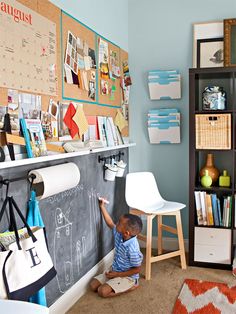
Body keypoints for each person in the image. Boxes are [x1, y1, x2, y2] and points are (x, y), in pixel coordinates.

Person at [90, 198, 143, 298]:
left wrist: (118, 275)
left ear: (126, 233)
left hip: (127, 276)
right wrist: (102, 207)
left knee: (102, 292)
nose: (116, 223)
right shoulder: (120, 234)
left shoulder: (133, 250)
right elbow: (110, 223)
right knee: (93, 286)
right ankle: (113, 281)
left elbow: (137, 269)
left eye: (119, 223)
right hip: (115, 269)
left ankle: (132, 286)